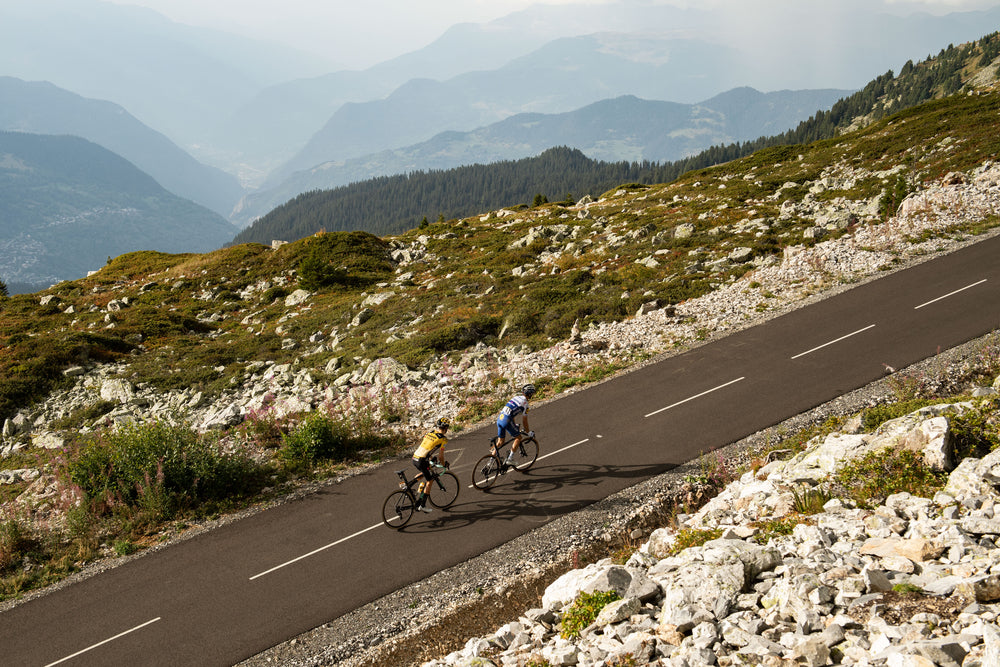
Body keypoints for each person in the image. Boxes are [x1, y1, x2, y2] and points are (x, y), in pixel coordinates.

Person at [411, 417, 450, 512]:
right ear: (445, 428)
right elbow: (441, 457)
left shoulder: (430, 433)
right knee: (430, 480)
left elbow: (427, 447)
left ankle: (409, 486)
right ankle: (422, 505)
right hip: (422, 460)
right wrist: (444, 464)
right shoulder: (443, 439)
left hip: (415, 457)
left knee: (424, 472)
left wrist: (431, 458)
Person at [494, 384, 535, 468]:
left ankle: (490, 461)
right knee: (519, 438)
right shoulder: (525, 405)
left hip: (500, 419)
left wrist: (515, 425)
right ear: (530, 394)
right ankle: (510, 459)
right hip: (507, 421)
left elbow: (511, 413)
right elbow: (524, 421)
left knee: (500, 442)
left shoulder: (515, 397)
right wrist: (528, 432)